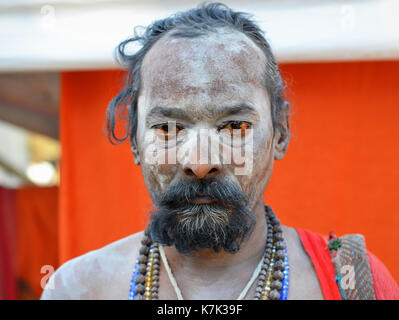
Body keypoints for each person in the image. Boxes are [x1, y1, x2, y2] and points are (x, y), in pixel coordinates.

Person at [41, 3, 399, 300]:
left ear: (281, 132)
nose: (199, 162)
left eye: (233, 127)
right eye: (169, 128)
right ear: (135, 142)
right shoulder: (76, 289)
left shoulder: (350, 281)